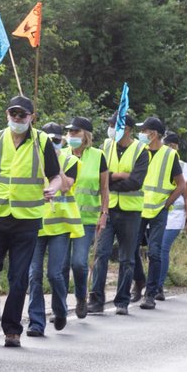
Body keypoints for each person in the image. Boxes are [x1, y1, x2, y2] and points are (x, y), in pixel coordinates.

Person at [0, 96, 62, 347]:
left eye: (22, 115)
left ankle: (12, 328)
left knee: (19, 277)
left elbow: (55, 176)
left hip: (27, 219)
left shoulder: (42, 142)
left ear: (31, 118)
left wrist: (53, 188)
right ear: (7, 114)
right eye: (13, 114)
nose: (17, 118)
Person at [86, 111, 148, 316]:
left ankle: (122, 300)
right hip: (107, 208)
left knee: (127, 258)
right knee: (101, 254)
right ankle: (96, 299)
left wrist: (109, 181)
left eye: (114, 125)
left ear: (127, 129)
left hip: (130, 212)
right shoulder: (105, 146)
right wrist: (118, 176)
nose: (111, 129)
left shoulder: (140, 150)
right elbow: (97, 175)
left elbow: (136, 181)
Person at [26, 123, 81, 336]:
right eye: (49, 141)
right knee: (34, 274)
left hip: (60, 225)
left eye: (56, 141)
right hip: (37, 223)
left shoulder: (71, 161)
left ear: (62, 142)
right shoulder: (32, 160)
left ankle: (60, 310)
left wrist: (53, 162)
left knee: (55, 274)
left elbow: (66, 185)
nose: (53, 144)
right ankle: (36, 322)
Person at [130, 117, 185, 310]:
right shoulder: (138, 150)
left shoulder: (170, 155)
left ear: (153, 134)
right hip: (137, 207)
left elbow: (181, 185)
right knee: (130, 249)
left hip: (158, 211)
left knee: (155, 252)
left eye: (144, 131)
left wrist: (166, 204)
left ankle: (150, 294)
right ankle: (139, 281)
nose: (141, 134)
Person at [63, 116, 108, 319]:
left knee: (79, 263)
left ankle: (81, 297)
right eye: (70, 132)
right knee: (60, 267)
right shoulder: (60, 154)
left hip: (86, 220)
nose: (72, 135)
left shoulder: (98, 156)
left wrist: (104, 214)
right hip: (61, 219)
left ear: (86, 136)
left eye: (76, 132)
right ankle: (59, 306)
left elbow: (104, 189)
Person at [154, 131, 187, 299]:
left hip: (175, 215)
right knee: (154, 250)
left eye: (172, 146)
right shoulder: (156, 163)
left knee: (163, 248)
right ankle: (151, 283)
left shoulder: (185, 168)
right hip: (156, 213)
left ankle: (158, 286)